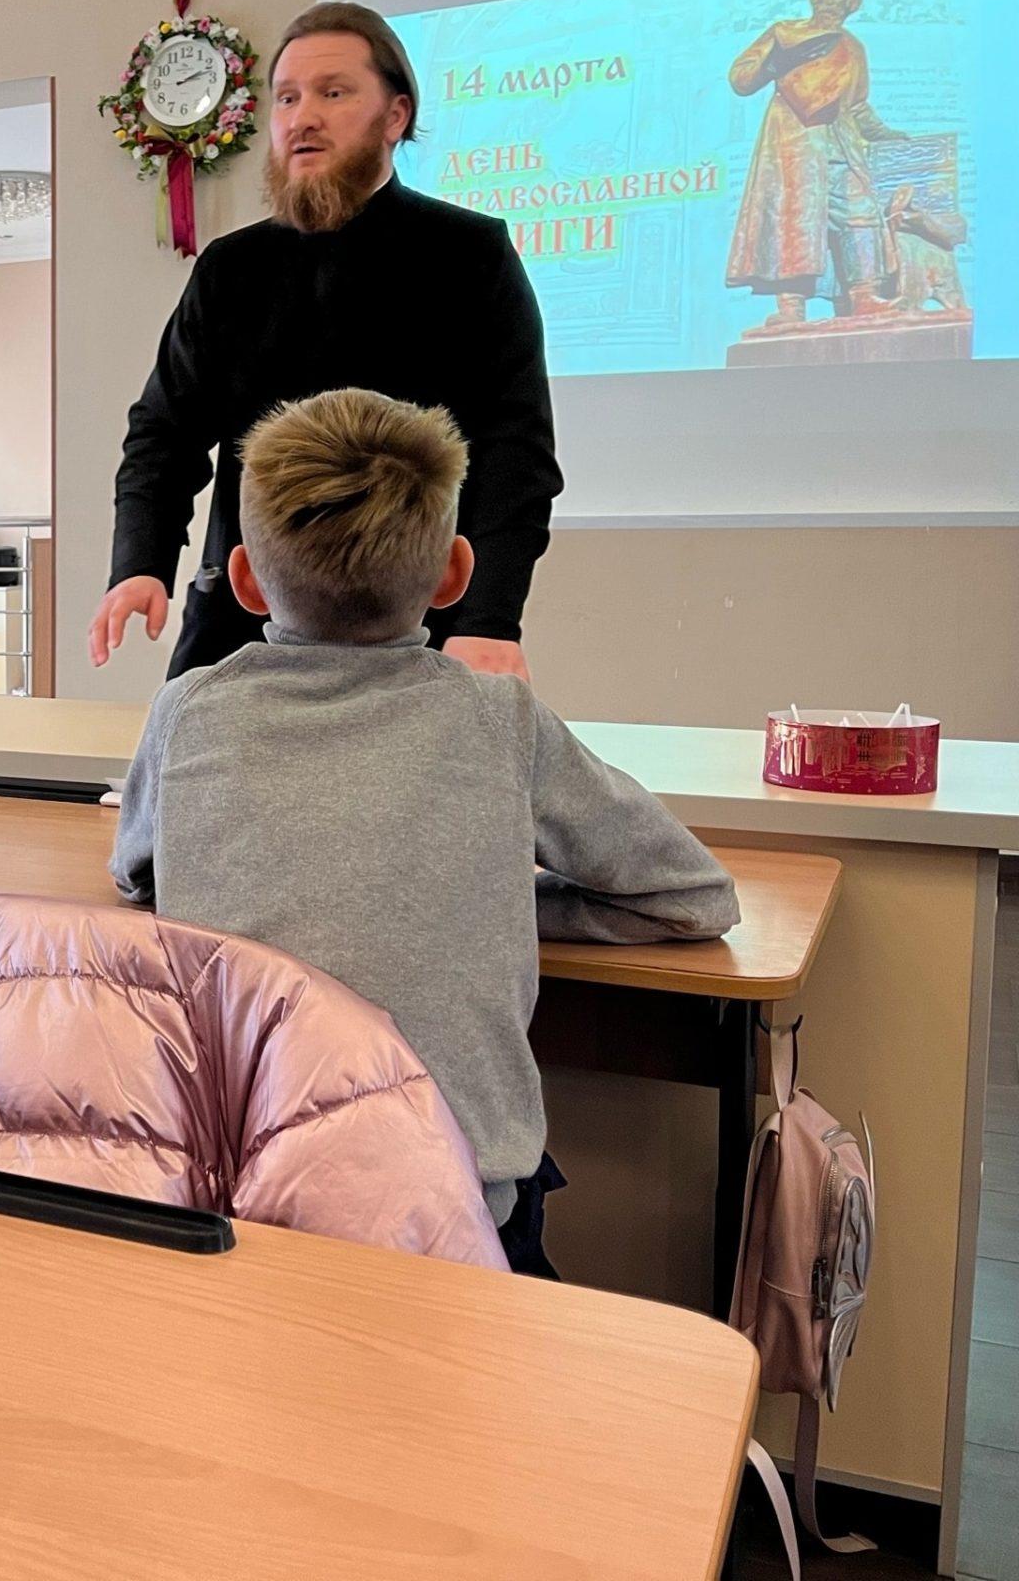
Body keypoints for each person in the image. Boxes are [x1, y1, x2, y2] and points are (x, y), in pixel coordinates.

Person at [108, 389, 737, 1275]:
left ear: (244, 581)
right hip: (455, 1216)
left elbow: (139, 875)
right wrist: (503, 901)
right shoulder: (498, 719)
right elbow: (693, 896)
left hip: (237, 1207)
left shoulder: (190, 713)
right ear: (455, 574)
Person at [91, 1, 562, 682]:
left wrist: (490, 618)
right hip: (241, 630)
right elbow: (164, 434)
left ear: (395, 116)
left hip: (419, 632)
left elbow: (515, 455)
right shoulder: (230, 269)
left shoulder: (469, 255)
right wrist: (140, 562)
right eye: (287, 98)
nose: (301, 117)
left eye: (332, 93)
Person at [725, 0, 907, 326]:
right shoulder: (785, 33)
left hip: (841, 145)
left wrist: (887, 134)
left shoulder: (853, 47)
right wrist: (778, 62)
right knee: (792, 221)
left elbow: (856, 105)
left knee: (860, 215)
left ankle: (865, 296)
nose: (833, 2)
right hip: (794, 147)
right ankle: (790, 309)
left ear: (851, 4)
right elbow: (741, 78)